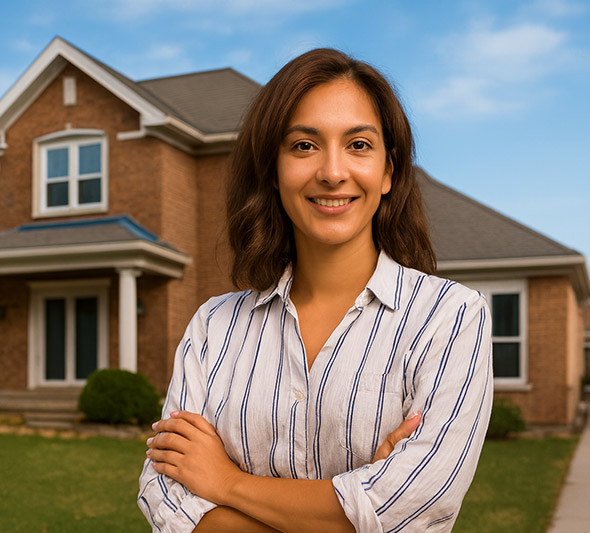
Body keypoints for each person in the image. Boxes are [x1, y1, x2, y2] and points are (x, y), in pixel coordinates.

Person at [139, 48, 493, 532]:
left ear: (388, 171)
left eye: (359, 145)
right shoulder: (213, 328)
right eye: (304, 145)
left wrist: (227, 483)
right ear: (273, 170)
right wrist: (350, 507)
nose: (331, 171)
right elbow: (165, 499)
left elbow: (416, 503)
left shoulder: (449, 318)